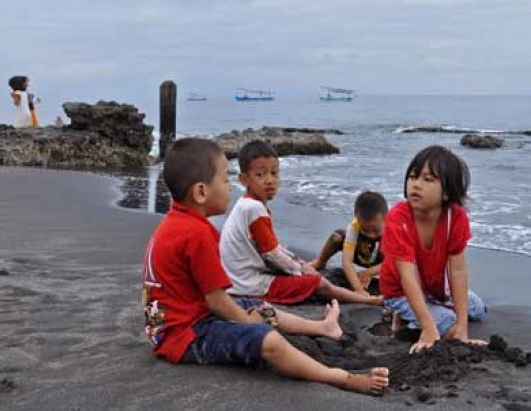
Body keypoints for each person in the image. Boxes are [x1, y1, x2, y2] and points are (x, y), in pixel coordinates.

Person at [141, 137, 388, 395]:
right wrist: (247, 323)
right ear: (201, 192)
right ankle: (339, 377)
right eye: (225, 180)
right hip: (184, 337)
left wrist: (247, 312)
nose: (229, 187)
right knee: (265, 337)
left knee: (255, 306)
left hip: (168, 326)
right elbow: (216, 301)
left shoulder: (176, 224)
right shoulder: (196, 234)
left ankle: (321, 327)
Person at [220, 140, 382, 306]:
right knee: (319, 283)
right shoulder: (254, 209)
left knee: (303, 272)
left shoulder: (245, 205)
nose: (269, 180)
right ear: (243, 179)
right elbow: (272, 254)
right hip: (250, 284)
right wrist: (302, 270)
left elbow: (272, 248)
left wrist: (300, 264)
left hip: (239, 278)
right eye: (260, 175)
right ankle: (365, 299)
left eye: (274, 173)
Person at [380, 145, 487, 354]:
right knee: (447, 324)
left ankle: (415, 316)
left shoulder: (455, 217)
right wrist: (429, 329)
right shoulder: (397, 219)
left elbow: (457, 271)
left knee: (476, 308)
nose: (416, 185)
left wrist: (463, 329)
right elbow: (407, 277)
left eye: (428, 180)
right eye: (413, 177)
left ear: (446, 192)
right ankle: (403, 313)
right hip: (400, 290)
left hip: (434, 287)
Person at [309, 191, 387, 296]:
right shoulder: (354, 226)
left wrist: (369, 272)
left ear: (386, 218)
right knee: (337, 237)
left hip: (380, 260)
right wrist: (358, 289)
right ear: (356, 217)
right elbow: (347, 262)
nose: (370, 235)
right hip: (360, 254)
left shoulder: (392, 228)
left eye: (375, 231)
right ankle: (320, 262)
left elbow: (395, 262)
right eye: (365, 230)